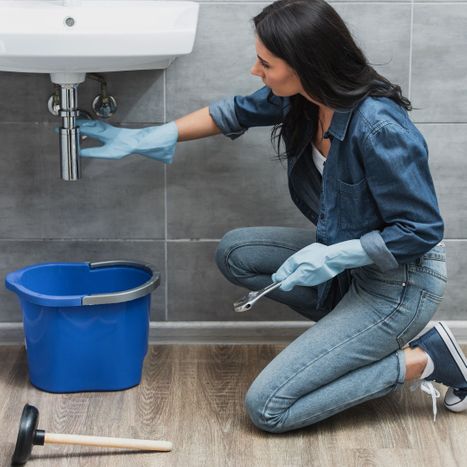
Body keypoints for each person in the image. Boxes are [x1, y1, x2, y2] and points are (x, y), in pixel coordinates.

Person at [76, 0, 467, 432]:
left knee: (268, 409)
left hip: (399, 285)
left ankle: (425, 358)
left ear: (306, 64)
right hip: (351, 271)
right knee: (237, 253)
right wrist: (148, 137)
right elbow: (235, 111)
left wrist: (337, 256)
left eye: (265, 62)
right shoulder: (303, 99)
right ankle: (352, 338)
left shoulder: (379, 126)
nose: (254, 70)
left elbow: (423, 229)